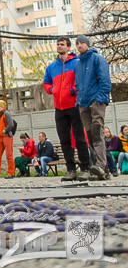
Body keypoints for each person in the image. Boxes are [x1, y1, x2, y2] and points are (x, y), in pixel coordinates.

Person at [43, 36, 91, 181]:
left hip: (74, 106)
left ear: (69, 47)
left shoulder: (77, 63)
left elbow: (82, 80)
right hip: (59, 108)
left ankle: (85, 168)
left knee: (79, 138)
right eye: (58, 44)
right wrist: (52, 90)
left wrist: (73, 90)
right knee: (64, 140)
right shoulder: (52, 67)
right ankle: (71, 170)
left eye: (62, 44)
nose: (59, 46)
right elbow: (46, 83)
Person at [74, 34, 113, 179]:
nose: (79, 46)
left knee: (97, 133)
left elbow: (105, 80)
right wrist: (78, 99)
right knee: (90, 135)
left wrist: (100, 98)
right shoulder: (78, 63)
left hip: (96, 101)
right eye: (77, 43)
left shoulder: (97, 59)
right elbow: (77, 83)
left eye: (82, 43)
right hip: (83, 103)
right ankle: (101, 169)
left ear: (88, 45)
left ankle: (101, 166)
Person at [0, 100, 18, 179]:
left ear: (1, 106)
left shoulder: (6, 113)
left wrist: (5, 130)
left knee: (9, 155)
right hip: (0, 137)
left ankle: (11, 173)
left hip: (7, 136)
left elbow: (11, 124)